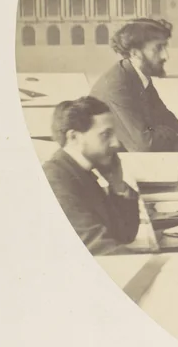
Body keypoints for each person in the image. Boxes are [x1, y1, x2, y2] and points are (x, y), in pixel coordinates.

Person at [89, 18, 178, 156]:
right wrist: (169, 132)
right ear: (135, 53)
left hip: (132, 156)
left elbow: (166, 118)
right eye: (158, 48)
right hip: (111, 161)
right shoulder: (117, 85)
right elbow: (145, 145)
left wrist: (166, 131)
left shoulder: (138, 76)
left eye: (165, 47)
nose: (166, 55)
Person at [41, 96, 139, 255]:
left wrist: (119, 186)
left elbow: (125, 235)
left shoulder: (83, 171)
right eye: (106, 135)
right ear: (73, 137)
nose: (116, 143)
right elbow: (96, 246)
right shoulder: (55, 179)